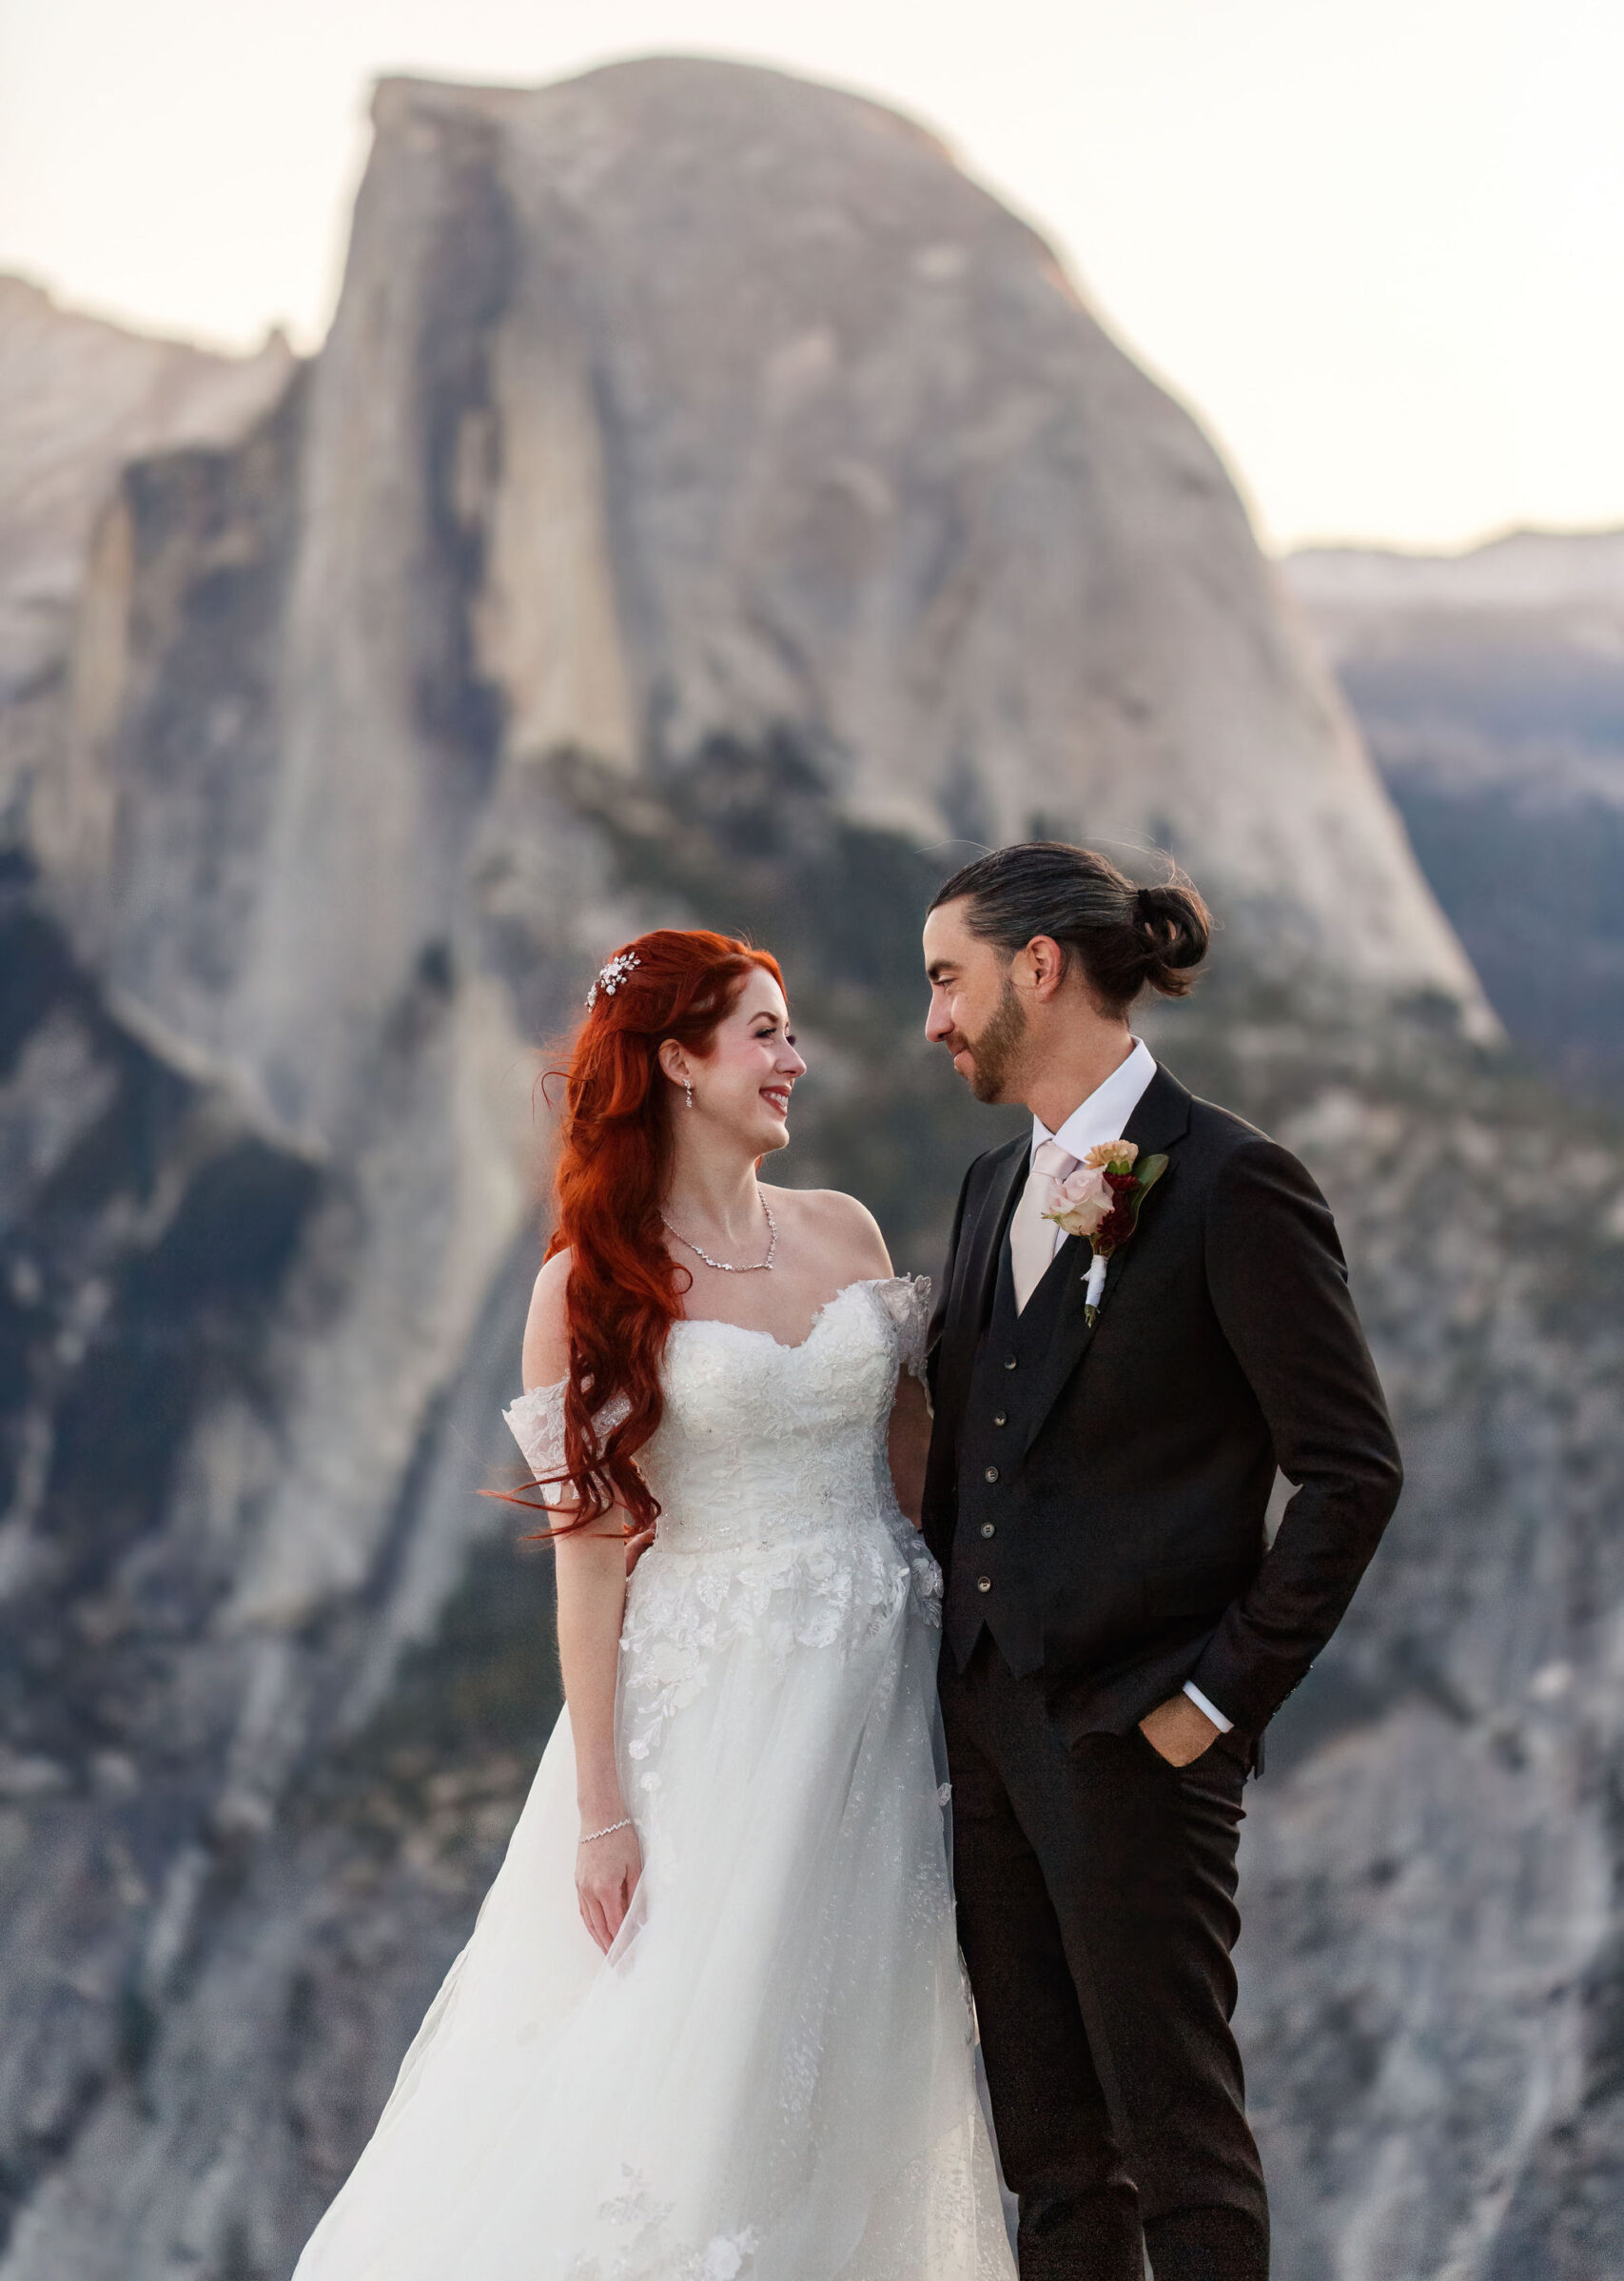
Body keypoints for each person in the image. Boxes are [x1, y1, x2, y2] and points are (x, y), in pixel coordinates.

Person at [293, 929, 1013, 2281]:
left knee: (858, 2060)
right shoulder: (587, 1286)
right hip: (717, 1717)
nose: (795, 1061)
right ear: (679, 1061)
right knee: (703, 2069)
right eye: (764, 1033)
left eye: (792, 1033)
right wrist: (604, 1810)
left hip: (881, 1700)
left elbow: (924, 1471)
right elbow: (590, 1554)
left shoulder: (846, 1231)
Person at [922, 842, 1403, 2281]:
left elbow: (1352, 1472)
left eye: (948, 979)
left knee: (1179, 2151)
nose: (934, 1020)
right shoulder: (985, 1187)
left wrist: (1212, 1703)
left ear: (1040, 968)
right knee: (1056, 2165)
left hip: (1143, 1735)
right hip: (993, 1734)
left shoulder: (1234, 1183)